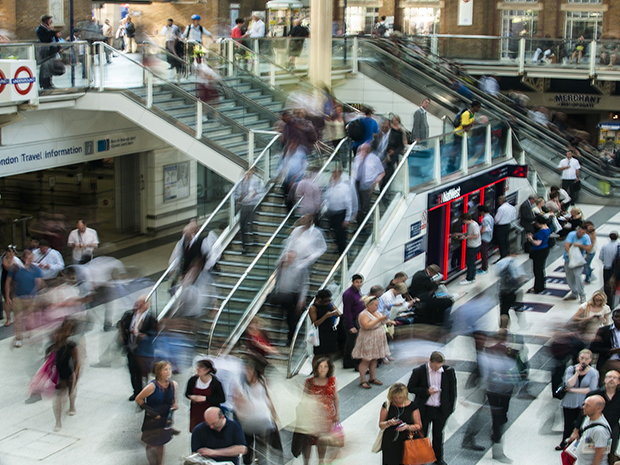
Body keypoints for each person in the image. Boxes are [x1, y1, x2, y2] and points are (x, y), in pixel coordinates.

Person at [406, 352, 456, 465]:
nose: (437, 369)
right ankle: (420, 457)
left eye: (439, 366)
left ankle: (438, 458)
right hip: (424, 408)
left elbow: (452, 391)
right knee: (421, 434)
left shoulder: (448, 372)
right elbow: (411, 387)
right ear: (430, 362)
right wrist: (426, 391)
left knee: (438, 434)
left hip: (440, 409)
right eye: (435, 366)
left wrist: (449, 409)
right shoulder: (419, 371)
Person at [233, 360, 282, 465]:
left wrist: (274, 413)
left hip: (262, 418)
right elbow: (237, 401)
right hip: (247, 421)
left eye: (250, 370)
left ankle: (261, 461)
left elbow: (267, 397)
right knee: (248, 446)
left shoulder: (262, 381)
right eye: (246, 370)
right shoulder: (240, 384)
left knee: (264, 445)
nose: (248, 372)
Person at [570, 372, 620, 465]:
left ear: (618, 382)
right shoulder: (594, 395)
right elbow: (583, 413)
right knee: (588, 450)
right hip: (595, 424)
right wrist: (576, 430)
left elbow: (600, 453)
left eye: (615, 378)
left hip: (612, 427)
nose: (611, 379)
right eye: (609, 377)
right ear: (604, 379)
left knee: (607, 453)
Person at [135, 361, 179, 465]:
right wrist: (151, 412)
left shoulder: (173, 385)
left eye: (169, 369)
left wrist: (174, 405)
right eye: (165, 369)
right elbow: (139, 399)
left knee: (161, 443)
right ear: (158, 372)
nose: (168, 372)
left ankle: (160, 463)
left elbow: (174, 400)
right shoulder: (152, 386)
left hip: (164, 419)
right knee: (151, 443)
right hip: (152, 420)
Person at [557, 349, 599, 451]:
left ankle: (578, 445)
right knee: (568, 423)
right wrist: (576, 373)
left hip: (584, 402)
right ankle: (564, 443)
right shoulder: (571, 369)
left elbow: (591, 389)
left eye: (586, 359)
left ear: (590, 360)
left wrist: (572, 390)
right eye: (582, 358)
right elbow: (568, 383)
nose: (583, 361)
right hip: (569, 401)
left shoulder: (593, 372)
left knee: (580, 424)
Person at [301, 357, 340, 465]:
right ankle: (306, 463)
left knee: (322, 440)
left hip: (327, 417)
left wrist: (337, 413)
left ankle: (321, 461)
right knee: (307, 441)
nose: (322, 369)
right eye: (320, 366)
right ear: (316, 368)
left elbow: (335, 398)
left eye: (325, 366)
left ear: (329, 368)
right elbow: (304, 398)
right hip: (311, 416)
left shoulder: (333, 381)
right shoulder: (309, 382)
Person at [119, 296, 157, 400]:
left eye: (143, 303)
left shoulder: (150, 318)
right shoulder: (129, 315)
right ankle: (136, 391)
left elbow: (154, 333)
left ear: (148, 304)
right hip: (131, 348)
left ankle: (145, 392)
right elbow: (122, 325)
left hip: (143, 352)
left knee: (143, 373)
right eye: (138, 302)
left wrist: (142, 335)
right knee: (133, 371)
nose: (139, 305)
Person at [5, 249, 44, 347]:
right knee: (18, 319)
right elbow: (7, 282)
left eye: (31, 258)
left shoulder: (36, 270)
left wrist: (38, 293)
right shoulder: (15, 268)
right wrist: (7, 297)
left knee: (31, 319)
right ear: (23, 258)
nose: (29, 260)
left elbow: (39, 283)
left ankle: (31, 334)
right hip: (18, 298)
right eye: (27, 258)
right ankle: (18, 338)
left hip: (31, 298)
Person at [352, 295, 391, 389]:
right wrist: (379, 319)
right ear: (368, 305)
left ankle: (372, 377)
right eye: (375, 305)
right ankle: (362, 380)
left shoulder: (376, 312)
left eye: (377, 305)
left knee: (374, 358)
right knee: (366, 360)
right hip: (368, 338)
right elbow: (366, 326)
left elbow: (381, 322)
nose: (376, 307)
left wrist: (387, 320)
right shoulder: (363, 314)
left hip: (377, 337)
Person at [378, 383, 422, 465]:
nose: (397, 400)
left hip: (407, 440)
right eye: (395, 397)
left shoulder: (412, 406)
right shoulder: (387, 405)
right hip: (390, 441)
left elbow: (418, 425)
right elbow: (381, 424)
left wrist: (407, 426)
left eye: (400, 397)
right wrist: (388, 423)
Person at [49, 319, 80, 431]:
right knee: (58, 398)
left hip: (68, 372)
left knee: (71, 392)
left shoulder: (71, 345)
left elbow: (77, 362)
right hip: (58, 374)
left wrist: (76, 375)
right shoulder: (53, 347)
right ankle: (58, 421)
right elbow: (48, 363)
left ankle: (72, 405)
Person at [323, 162, 356, 255]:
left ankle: (343, 251)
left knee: (341, 234)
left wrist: (347, 218)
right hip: (331, 212)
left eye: (335, 173)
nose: (333, 175)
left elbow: (348, 203)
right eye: (332, 172)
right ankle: (338, 247)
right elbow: (327, 197)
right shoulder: (331, 185)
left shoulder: (344, 187)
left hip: (341, 213)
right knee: (334, 231)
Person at [185, 359, 226, 432]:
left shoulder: (216, 383)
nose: (198, 369)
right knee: (197, 431)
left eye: (201, 367)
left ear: (208, 370)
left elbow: (222, 399)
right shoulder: (193, 380)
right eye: (198, 366)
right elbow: (187, 393)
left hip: (210, 414)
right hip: (196, 412)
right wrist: (192, 397)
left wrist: (205, 399)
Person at [571, 395, 612, 465]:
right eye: (584, 404)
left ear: (598, 409)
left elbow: (600, 454)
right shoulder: (588, 418)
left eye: (587, 406)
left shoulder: (600, 430)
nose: (583, 407)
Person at [352, 142, 385, 224]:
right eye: (360, 150)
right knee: (357, 205)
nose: (361, 152)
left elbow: (382, 172)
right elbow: (353, 171)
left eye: (364, 150)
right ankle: (361, 221)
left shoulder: (374, 159)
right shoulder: (357, 158)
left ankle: (363, 223)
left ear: (368, 150)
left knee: (364, 206)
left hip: (368, 184)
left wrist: (375, 182)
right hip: (357, 183)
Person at [235, 167, 265, 253]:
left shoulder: (256, 182)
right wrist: (239, 198)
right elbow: (235, 195)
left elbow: (262, 192)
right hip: (244, 206)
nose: (247, 176)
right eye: (246, 174)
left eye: (249, 174)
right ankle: (245, 246)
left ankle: (254, 238)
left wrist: (254, 196)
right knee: (243, 225)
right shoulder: (240, 183)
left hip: (252, 205)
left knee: (251, 223)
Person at [309, 289, 341, 364]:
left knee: (329, 353)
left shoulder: (330, 303)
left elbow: (337, 312)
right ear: (320, 299)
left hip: (330, 330)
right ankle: (315, 372)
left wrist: (336, 313)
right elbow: (315, 323)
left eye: (329, 300)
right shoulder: (313, 308)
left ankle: (328, 371)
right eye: (325, 301)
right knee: (318, 354)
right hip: (320, 332)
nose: (327, 302)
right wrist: (325, 316)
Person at [496, 254, 526, 329]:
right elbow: (521, 277)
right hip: (514, 291)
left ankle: (504, 326)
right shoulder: (514, 262)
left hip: (503, 291)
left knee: (504, 310)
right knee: (518, 308)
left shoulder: (500, 263)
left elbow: (497, 274)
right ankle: (522, 324)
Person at [564, 225, 593, 304]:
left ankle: (582, 295)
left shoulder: (586, 237)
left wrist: (580, 245)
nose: (580, 233)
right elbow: (566, 245)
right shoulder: (571, 234)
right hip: (569, 259)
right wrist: (571, 254)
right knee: (569, 277)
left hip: (579, 261)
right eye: (579, 231)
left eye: (583, 232)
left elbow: (589, 248)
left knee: (578, 276)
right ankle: (574, 292)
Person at [342, 274, 364, 369]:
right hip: (351, 320)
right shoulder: (348, 294)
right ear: (352, 282)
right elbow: (347, 311)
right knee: (354, 343)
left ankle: (347, 362)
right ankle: (356, 364)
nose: (359, 284)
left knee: (350, 342)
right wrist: (351, 325)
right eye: (357, 282)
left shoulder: (357, 292)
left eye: (360, 282)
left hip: (357, 319)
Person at [591, 309, 620, 376]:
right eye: (617, 317)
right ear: (612, 318)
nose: (619, 319)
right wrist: (609, 350)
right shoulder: (604, 331)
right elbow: (593, 348)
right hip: (609, 359)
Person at [527, 215, 551, 294]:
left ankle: (538, 287)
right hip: (545, 249)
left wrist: (530, 239)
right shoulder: (547, 229)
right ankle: (541, 285)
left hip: (539, 251)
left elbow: (537, 243)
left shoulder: (542, 231)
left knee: (537, 270)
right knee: (541, 269)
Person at [36, 15, 60, 90]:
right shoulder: (40, 29)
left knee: (50, 66)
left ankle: (49, 82)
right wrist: (52, 32)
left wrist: (55, 34)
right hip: (45, 50)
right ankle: (44, 83)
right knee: (45, 67)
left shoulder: (49, 30)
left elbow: (54, 39)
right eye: (50, 21)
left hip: (51, 50)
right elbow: (45, 39)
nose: (51, 23)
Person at [1, 245, 21, 326]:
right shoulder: (2, 259)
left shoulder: (17, 261)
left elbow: (21, 269)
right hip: (4, 279)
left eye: (12, 252)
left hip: (14, 280)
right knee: (7, 298)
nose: (11, 254)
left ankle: (17, 317)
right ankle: (8, 318)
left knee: (15, 299)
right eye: (9, 252)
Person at [459, 213, 481, 285]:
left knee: (470, 263)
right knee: (472, 263)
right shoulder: (473, 224)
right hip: (475, 245)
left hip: (473, 246)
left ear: (465, 219)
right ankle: (472, 277)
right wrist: (462, 234)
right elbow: (470, 233)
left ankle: (469, 278)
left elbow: (476, 235)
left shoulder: (473, 225)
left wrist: (466, 237)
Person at [600, 231, 620, 307]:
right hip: (616, 269)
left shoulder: (605, 246)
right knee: (615, 286)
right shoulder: (618, 246)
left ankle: (608, 303)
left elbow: (601, 257)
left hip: (607, 267)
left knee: (607, 286)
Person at [494, 195, 517, 259]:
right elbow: (513, 217)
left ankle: (503, 255)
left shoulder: (501, 208)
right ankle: (507, 253)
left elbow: (496, 219)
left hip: (501, 227)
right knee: (506, 240)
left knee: (501, 242)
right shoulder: (512, 207)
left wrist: (495, 223)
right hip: (508, 225)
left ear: (500, 201)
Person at [477, 204, 494, 274]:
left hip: (484, 238)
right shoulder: (490, 217)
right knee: (484, 252)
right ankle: (484, 266)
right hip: (489, 236)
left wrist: (477, 234)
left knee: (484, 253)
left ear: (482, 212)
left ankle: (484, 268)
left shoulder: (485, 219)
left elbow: (483, 229)